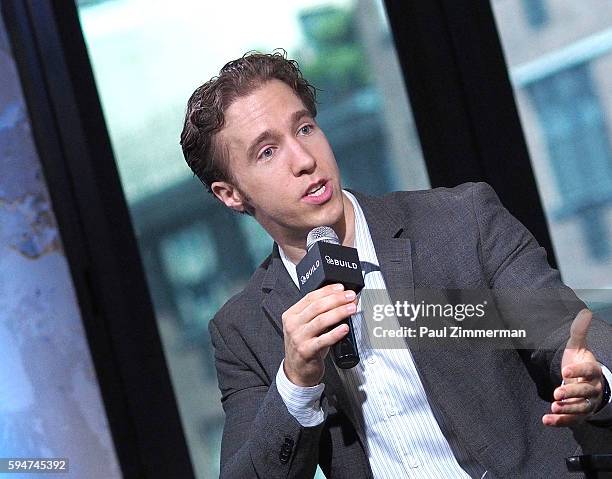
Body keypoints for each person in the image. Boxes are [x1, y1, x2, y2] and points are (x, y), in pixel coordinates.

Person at [180, 51, 612, 478]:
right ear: (231, 195)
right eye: (268, 151)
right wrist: (295, 381)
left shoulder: (460, 222)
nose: (304, 160)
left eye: (305, 128)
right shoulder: (241, 330)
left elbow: (563, 328)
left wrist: (595, 375)